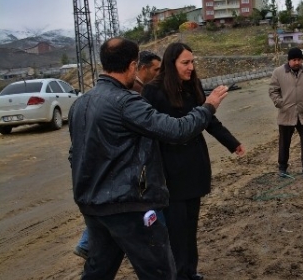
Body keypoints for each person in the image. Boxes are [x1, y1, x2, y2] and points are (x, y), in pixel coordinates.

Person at [69, 37, 229, 280]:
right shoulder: (126, 103)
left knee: (98, 271)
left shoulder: (80, 104)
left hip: (92, 205)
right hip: (129, 207)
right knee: (159, 272)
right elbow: (177, 131)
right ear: (133, 65)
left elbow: (75, 154)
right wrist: (208, 107)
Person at [142, 42, 244, 280]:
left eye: (192, 62)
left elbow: (208, 120)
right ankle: (177, 274)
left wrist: (232, 142)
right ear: (171, 63)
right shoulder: (153, 91)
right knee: (175, 229)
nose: (191, 67)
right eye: (185, 63)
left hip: (193, 165)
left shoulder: (193, 85)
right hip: (170, 171)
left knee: (190, 227)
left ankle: (190, 271)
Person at [73, 50, 163, 260]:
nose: (159, 74)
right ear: (138, 67)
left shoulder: (87, 102)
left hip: (99, 189)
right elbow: (163, 128)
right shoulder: (132, 95)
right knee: (154, 259)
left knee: (103, 256)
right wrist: (206, 108)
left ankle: (88, 244)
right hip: (125, 186)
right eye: (156, 70)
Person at [269, 47, 303, 178]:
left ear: (302, 60)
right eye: (294, 60)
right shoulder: (278, 72)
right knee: (284, 143)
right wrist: (280, 103)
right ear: (289, 61)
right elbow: (273, 91)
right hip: (286, 114)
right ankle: (282, 168)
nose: (296, 62)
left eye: (299, 60)